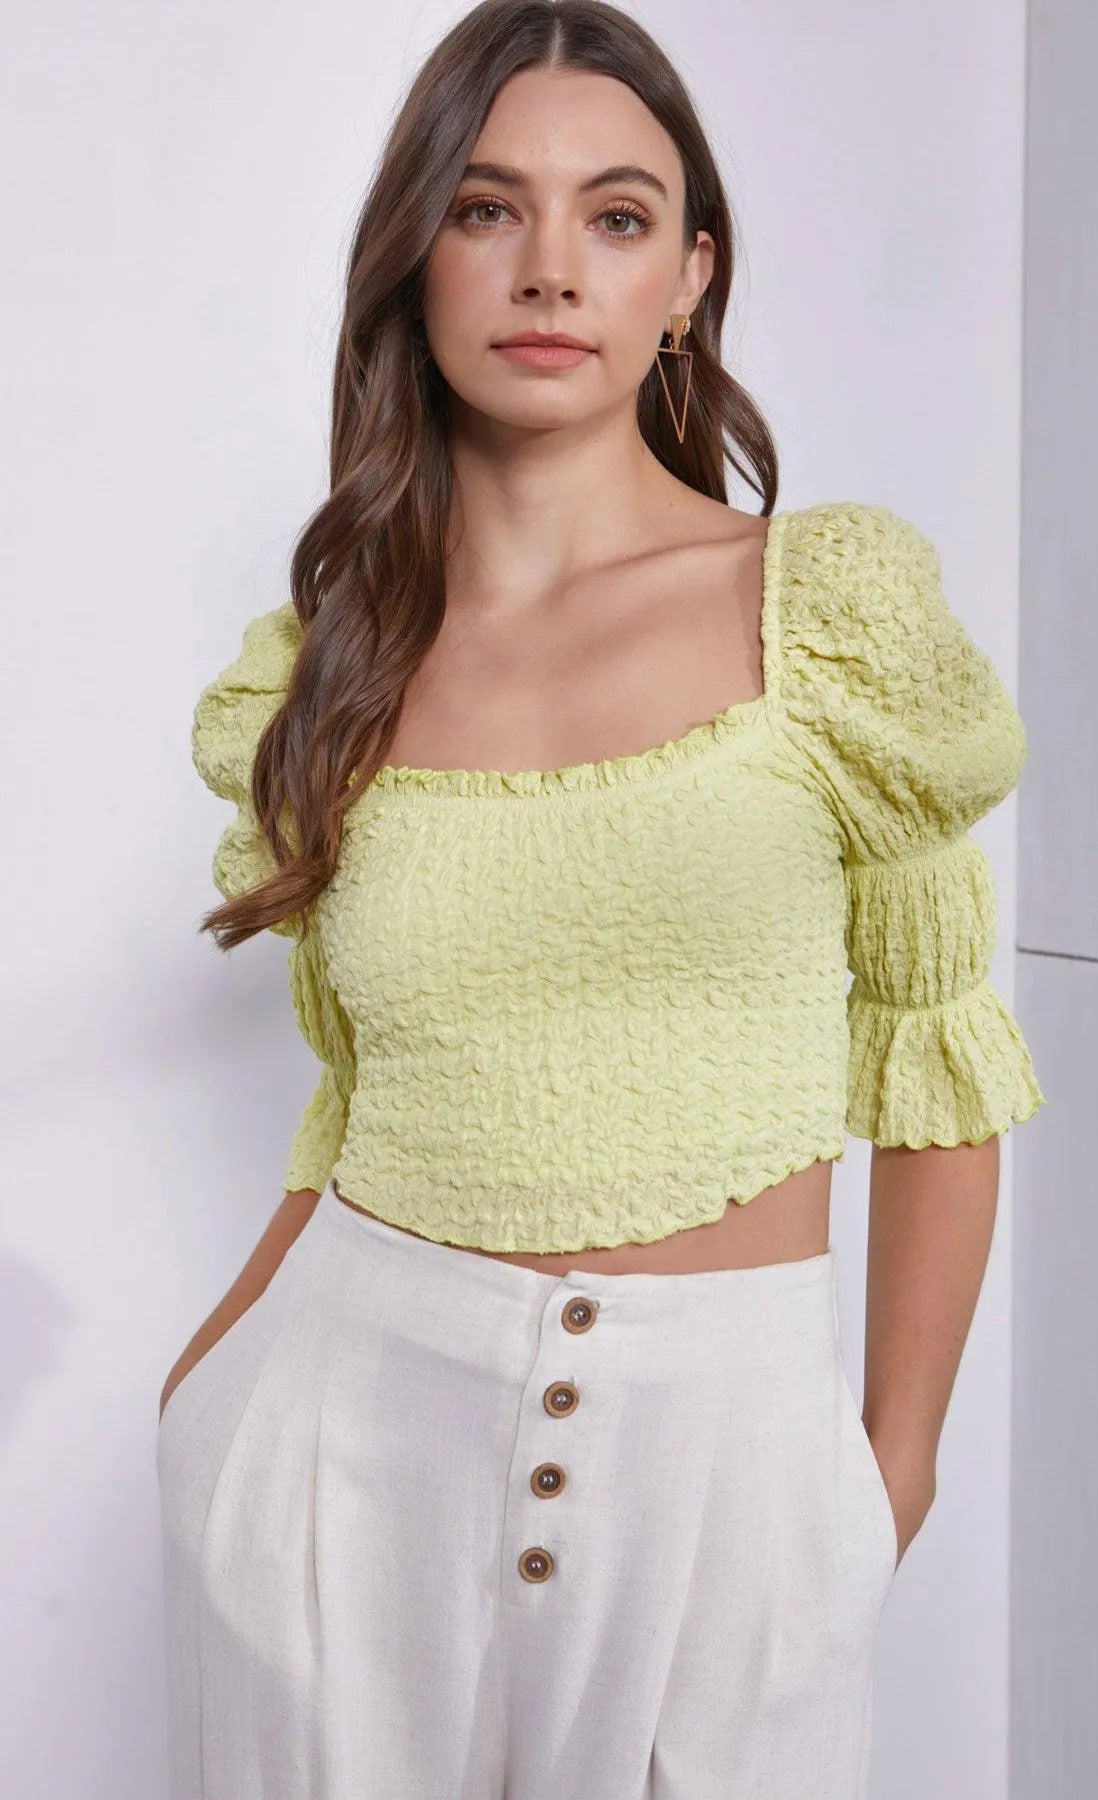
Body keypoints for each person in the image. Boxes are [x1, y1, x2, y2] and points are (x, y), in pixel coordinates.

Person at [155, 3, 1045, 1796]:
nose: (549, 268)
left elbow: (936, 1060)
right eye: (487, 208)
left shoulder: (827, 616)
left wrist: (887, 1477)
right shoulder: (332, 662)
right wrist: (208, 1401)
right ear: (413, 257)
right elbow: (352, 1091)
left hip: (724, 1476)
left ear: (690, 276)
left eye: (616, 216)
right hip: (337, 1458)